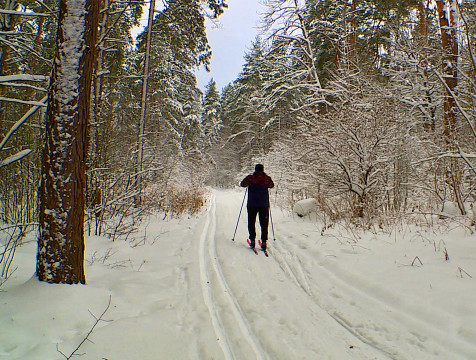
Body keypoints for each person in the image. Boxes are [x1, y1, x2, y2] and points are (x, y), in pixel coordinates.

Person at [240, 164, 274, 251]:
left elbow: (242, 184)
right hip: (264, 205)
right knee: (264, 223)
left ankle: (252, 240)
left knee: (251, 222)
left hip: (252, 204)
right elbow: (271, 185)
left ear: (255, 169)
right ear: (263, 169)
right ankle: (264, 242)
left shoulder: (250, 178)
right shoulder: (266, 178)